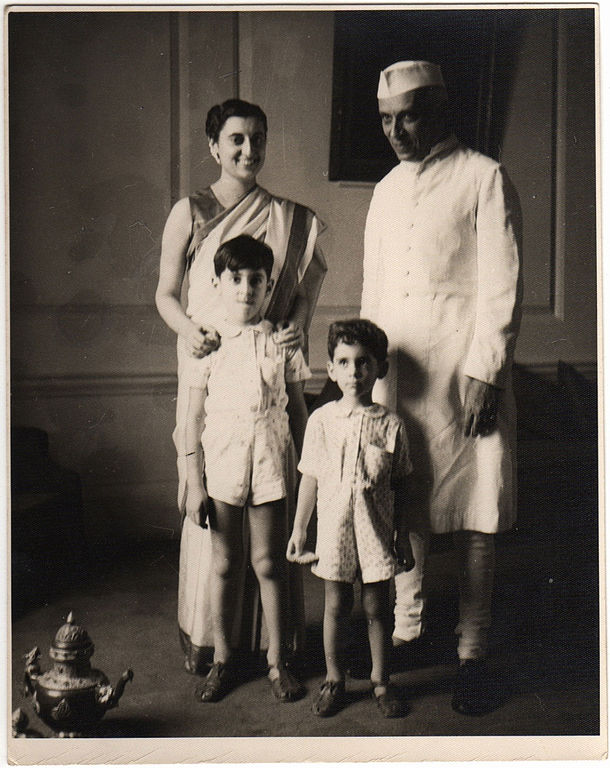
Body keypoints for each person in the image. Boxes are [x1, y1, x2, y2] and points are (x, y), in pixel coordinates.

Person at [361, 61, 522, 715]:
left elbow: (501, 285)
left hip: (464, 372)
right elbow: (372, 293)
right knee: (405, 503)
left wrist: (486, 372)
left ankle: (472, 651)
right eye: (386, 120)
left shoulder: (483, 177)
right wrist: (367, 380)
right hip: (400, 377)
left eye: (409, 117)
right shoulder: (385, 190)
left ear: (439, 112)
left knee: (477, 510)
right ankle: (408, 630)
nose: (396, 132)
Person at [156, 98, 326, 675]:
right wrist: (190, 331)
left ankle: (276, 654)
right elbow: (165, 294)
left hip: (267, 363)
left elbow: (306, 285)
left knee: (270, 548)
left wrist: (297, 325)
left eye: (257, 138)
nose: (248, 150)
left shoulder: (288, 217)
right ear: (214, 146)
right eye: (236, 139)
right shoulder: (190, 211)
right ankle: (217, 649)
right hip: (209, 354)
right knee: (219, 537)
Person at [182, 234, 310, 702]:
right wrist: (193, 482)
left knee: (269, 563)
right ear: (218, 283)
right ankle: (222, 657)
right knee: (224, 563)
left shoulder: (283, 342)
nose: (246, 289)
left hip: (271, 463)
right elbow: (193, 418)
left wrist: (307, 471)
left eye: (256, 280)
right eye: (235, 279)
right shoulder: (207, 344)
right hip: (223, 464)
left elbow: (298, 411)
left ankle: (277, 660)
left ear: (268, 285)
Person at [287, 319, 415, 718]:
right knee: (336, 606)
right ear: (331, 369)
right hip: (335, 532)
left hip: (376, 532)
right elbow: (310, 476)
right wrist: (299, 529)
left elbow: (402, 485)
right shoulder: (321, 421)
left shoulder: (391, 424)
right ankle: (334, 679)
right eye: (343, 362)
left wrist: (402, 536)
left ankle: (381, 681)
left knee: (377, 608)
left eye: (363, 362)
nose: (354, 372)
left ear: (380, 368)